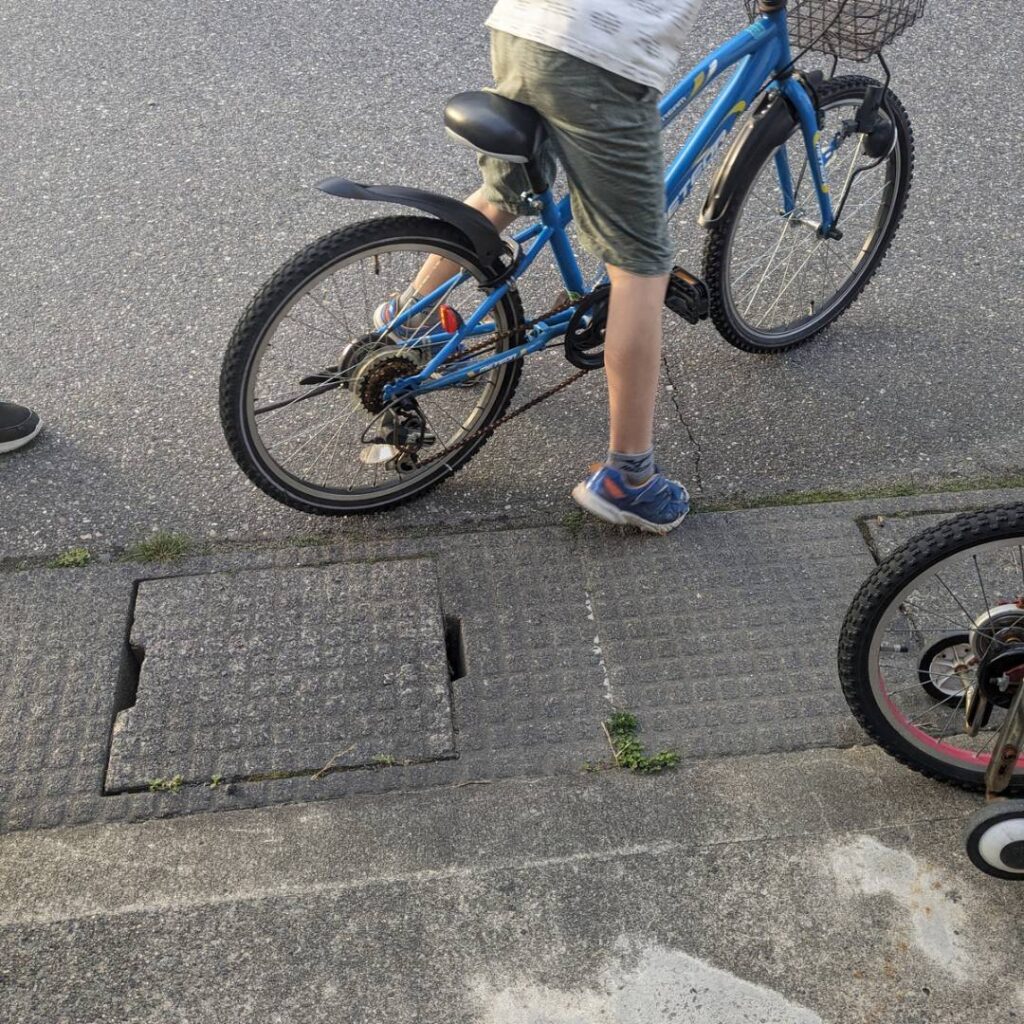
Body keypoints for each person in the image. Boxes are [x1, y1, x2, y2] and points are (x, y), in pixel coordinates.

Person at [378, 0, 703, 534]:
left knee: (508, 193)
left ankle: (410, 317)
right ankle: (631, 477)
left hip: (524, 27)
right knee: (640, 264)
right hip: (601, 55)